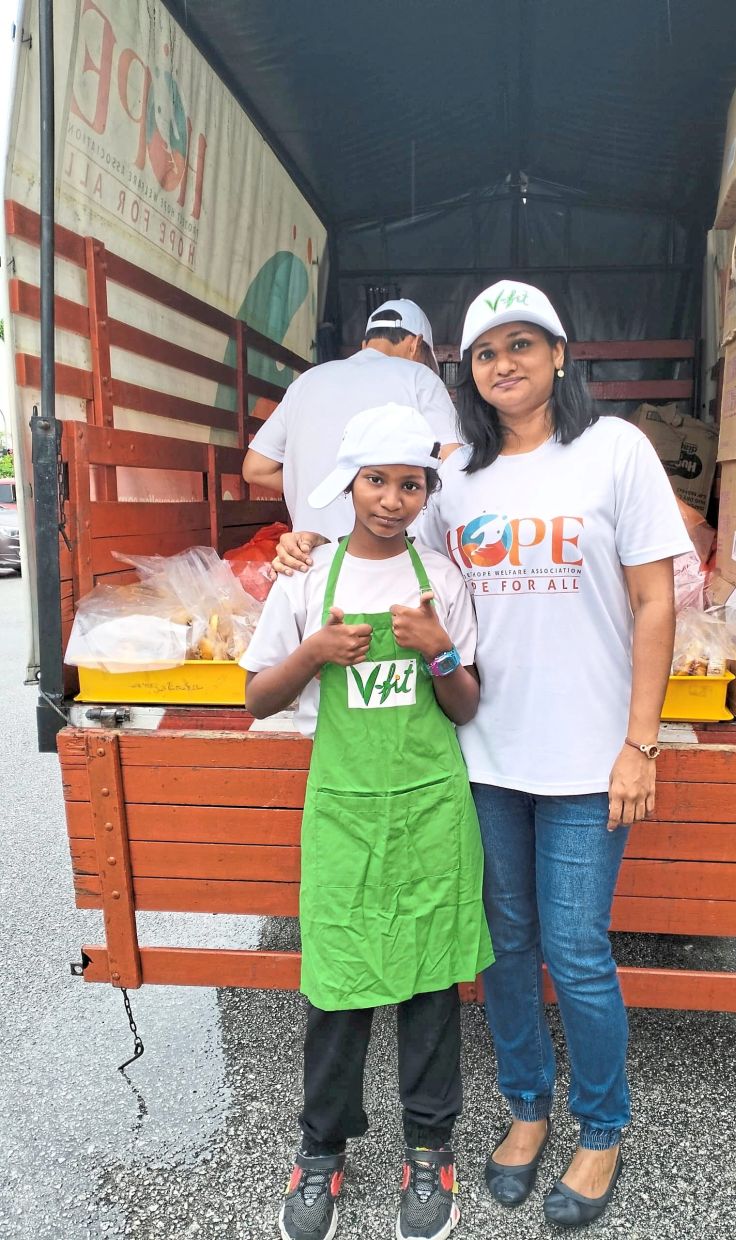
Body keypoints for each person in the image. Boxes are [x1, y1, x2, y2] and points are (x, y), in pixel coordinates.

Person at [276, 280, 692, 1229]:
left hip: (591, 758)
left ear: (557, 355)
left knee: (578, 952)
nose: (505, 364)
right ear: (466, 371)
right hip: (486, 754)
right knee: (504, 950)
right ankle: (526, 1109)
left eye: (523, 344)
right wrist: (304, 540)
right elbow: (372, 529)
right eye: (486, 351)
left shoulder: (614, 451)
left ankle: (599, 1128)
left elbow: (656, 601)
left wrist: (641, 742)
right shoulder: (453, 475)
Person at [241, 403, 493, 1240]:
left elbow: (463, 707)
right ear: (347, 485)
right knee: (337, 990)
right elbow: (255, 698)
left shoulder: (443, 580)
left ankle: (431, 1151)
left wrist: (437, 651)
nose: (392, 498)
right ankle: (320, 1153)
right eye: (376, 480)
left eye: (409, 483)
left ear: (427, 492)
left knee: (429, 985)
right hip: (344, 811)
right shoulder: (307, 578)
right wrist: (312, 653)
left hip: (428, 809)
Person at [243, 299, 458, 548]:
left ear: (365, 344)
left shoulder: (308, 380)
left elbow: (255, 468)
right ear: (416, 345)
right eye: (427, 360)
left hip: (311, 558)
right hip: (396, 561)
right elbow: (452, 464)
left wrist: (324, 485)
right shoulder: (420, 376)